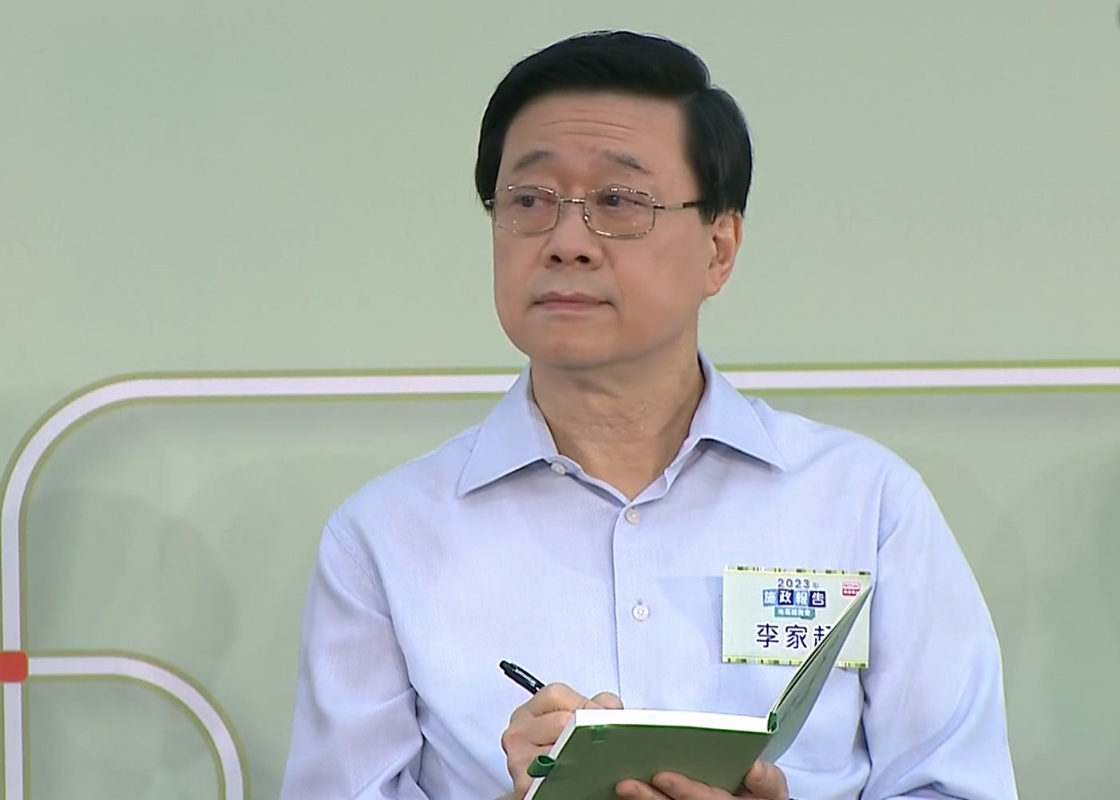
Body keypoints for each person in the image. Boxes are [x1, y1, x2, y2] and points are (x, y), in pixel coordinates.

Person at [278, 30, 1018, 800]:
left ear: (719, 250)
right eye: (530, 201)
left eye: (618, 202)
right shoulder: (384, 539)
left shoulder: (866, 507)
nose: (567, 242)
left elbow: (960, 785)